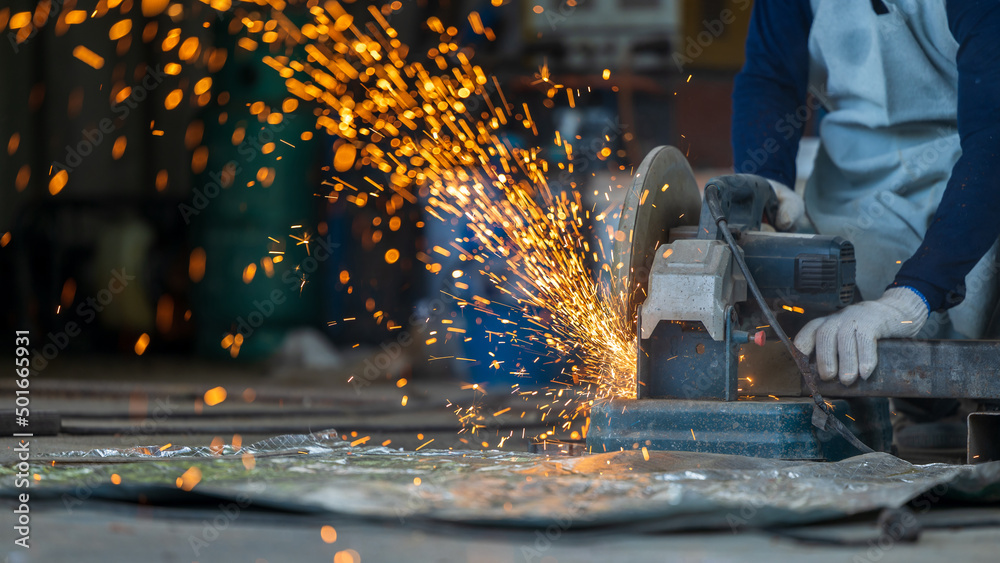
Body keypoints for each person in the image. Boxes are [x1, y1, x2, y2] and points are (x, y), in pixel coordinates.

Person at [731, 0, 1000, 387]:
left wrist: (911, 296)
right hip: (854, 179)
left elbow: (993, 136)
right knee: (846, 305)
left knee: (979, 299)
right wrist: (766, 185)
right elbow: (770, 76)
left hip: (973, 169)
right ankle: (915, 409)